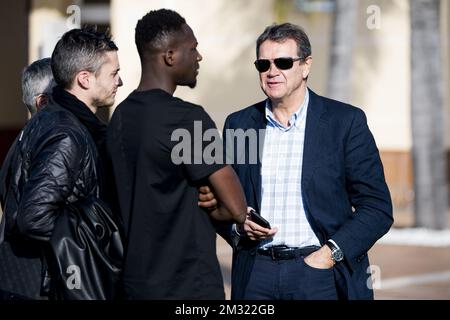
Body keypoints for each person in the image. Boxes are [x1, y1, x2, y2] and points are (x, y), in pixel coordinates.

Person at [200, 22, 393, 300]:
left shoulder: (345, 122)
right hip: (256, 274)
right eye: (263, 64)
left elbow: (377, 208)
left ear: (305, 66)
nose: (272, 71)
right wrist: (238, 225)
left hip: (321, 273)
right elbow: (218, 200)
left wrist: (328, 255)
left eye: (283, 62)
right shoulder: (240, 124)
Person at [107, 9, 247, 299]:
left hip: (136, 286)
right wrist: (212, 204)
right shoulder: (187, 119)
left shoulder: (119, 117)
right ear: (170, 56)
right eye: (192, 48)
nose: (199, 57)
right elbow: (236, 208)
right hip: (189, 287)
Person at [0, 27, 123, 300]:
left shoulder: (54, 121)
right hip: (48, 285)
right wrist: (99, 238)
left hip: (36, 280)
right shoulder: (65, 133)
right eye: (113, 73)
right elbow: (34, 218)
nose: (120, 81)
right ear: (84, 79)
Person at [0, 58, 55, 300]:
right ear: (42, 102)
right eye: (62, 95)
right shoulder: (40, 147)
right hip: (29, 281)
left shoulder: (22, 142)